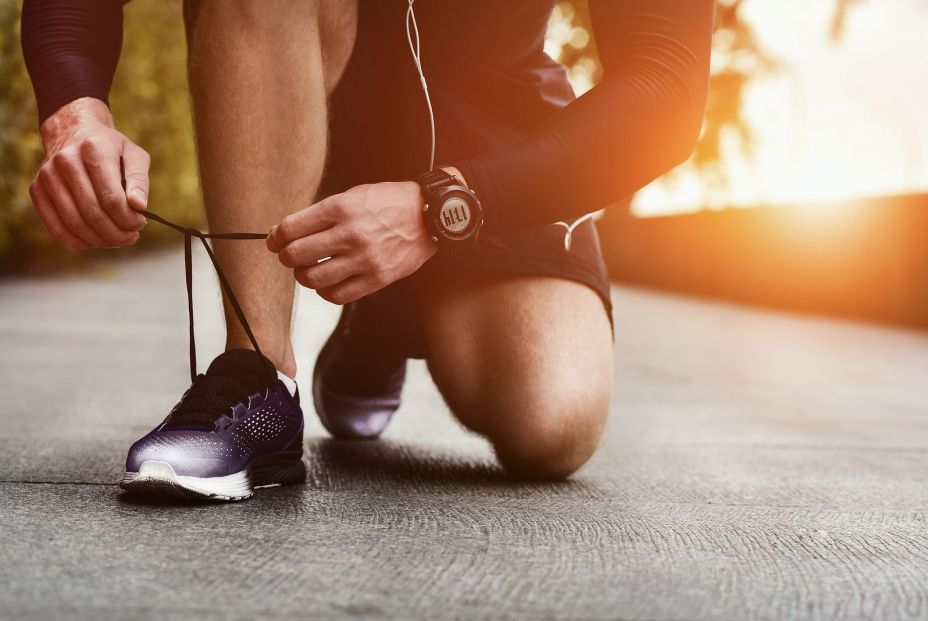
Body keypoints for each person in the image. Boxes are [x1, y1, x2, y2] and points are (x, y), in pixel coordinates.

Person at [21, 0, 713, 500]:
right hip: (280, 86)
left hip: (488, 128)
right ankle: (256, 374)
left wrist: (446, 205)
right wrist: (75, 106)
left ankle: (386, 311)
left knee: (551, 420)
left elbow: (666, 87)